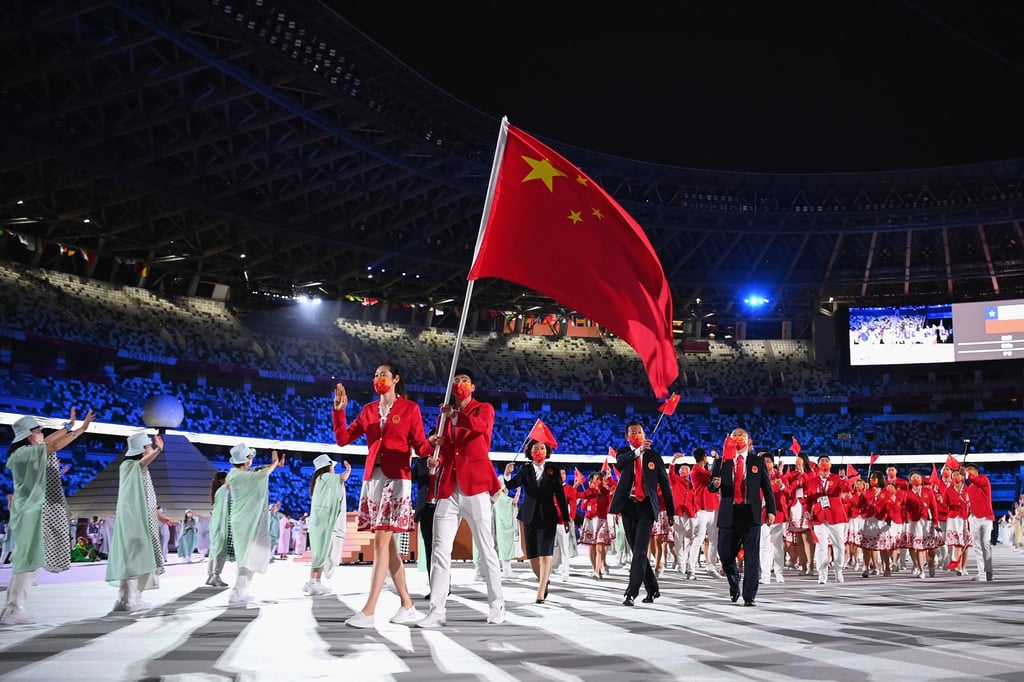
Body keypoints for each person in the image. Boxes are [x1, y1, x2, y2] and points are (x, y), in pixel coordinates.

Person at [333, 362, 430, 628]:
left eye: (383, 375)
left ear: (396, 379)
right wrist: (339, 412)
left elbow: (420, 444)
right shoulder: (367, 411)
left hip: (397, 478)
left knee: (380, 541)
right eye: (375, 375)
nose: (378, 379)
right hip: (373, 478)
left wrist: (432, 448)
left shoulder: (410, 409)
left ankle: (369, 610)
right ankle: (407, 606)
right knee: (387, 546)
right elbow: (342, 439)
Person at [417, 368, 506, 628]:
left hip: (476, 486)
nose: (460, 385)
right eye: (455, 381)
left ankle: (496, 603)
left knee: (486, 548)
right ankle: (437, 609)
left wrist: (455, 416)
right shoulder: (443, 418)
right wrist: (435, 459)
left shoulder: (483, 409)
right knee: (440, 550)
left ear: (473, 386)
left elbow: (481, 428)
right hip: (448, 488)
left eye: (464, 381)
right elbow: (442, 450)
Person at [2, 409, 95, 625]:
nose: (41, 433)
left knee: (31, 560)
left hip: (36, 511)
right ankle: (13, 610)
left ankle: (14, 608)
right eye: (37, 430)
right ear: (27, 434)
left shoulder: (30, 451)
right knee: (26, 561)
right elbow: (51, 446)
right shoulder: (22, 453)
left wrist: (76, 428)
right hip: (29, 512)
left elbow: (52, 444)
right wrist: (72, 429)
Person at [608, 421, 674, 607]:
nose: (637, 435)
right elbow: (621, 463)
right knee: (638, 551)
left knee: (640, 550)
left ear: (645, 435)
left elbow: (666, 485)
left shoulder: (654, 456)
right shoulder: (623, 454)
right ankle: (652, 588)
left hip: (646, 507)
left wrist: (670, 511)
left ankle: (631, 592)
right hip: (628, 507)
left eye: (640, 432)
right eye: (633, 432)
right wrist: (638, 452)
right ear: (627, 436)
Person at [708, 430, 775, 607]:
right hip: (729, 512)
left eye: (741, 436)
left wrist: (771, 510)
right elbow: (711, 486)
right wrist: (715, 484)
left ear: (748, 440)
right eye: (734, 436)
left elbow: (767, 488)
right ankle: (733, 580)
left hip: (750, 512)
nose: (738, 439)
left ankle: (749, 595)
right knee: (724, 552)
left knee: (752, 555)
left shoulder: (757, 461)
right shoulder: (722, 461)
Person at [503, 440, 571, 603]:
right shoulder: (525, 469)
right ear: (530, 452)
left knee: (545, 554)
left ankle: (540, 591)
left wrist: (566, 518)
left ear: (547, 451)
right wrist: (507, 473)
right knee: (533, 556)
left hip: (548, 516)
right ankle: (543, 579)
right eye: (535, 448)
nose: (539, 451)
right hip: (529, 515)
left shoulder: (552, 470)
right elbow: (512, 485)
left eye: (542, 448)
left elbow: (560, 495)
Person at [105, 431, 166, 611]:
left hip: (143, 519)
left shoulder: (140, 469)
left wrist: (160, 516)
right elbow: (142, 462)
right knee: (132, 559)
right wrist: (159, 450)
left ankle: (134, 598)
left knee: (144, 558)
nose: (149, 449)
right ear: (140, 449)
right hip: (134, 520)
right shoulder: (129, 465)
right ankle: (126, 600)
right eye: (147, 447)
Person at [225, 444, 284, 605]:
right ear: (245, 459)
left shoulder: (238, 473)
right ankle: (238, 592)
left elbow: (257, 471)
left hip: (245, 519)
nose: (252, 460)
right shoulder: (238, 475)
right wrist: (274, 462)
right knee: (246, 556)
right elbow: (261, 474)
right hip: (245, 520)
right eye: (250, 457)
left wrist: (274, 465)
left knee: (249, 555)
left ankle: (241, 590)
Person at [304, 454, 351, 595]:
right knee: (321, 552)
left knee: (321, 552)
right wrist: (348, 469)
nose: (333, 469)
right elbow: (342, 478)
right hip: (323, 521)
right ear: (327, 466)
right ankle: (313, 582)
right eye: (332, 466)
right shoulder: (325, 477)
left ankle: (316, 581)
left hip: (320, 520)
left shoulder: (319, 479)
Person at [804, 455, 850, 585]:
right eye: (822, 462)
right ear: (818, 465)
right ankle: (822, 575)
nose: (824, 463)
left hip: (836, 516)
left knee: (839, 546)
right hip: (819, 517)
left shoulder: (836, 478)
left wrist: (843, 478)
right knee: (821, 547)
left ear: (830, 465)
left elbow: (846, 489)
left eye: (827, 461)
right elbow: (809, 499)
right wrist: (807, 510)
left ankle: (838, 570)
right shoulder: (812, 481)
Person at [964, 463, 994, 581]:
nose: (968, 472)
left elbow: (976, 481)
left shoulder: (983, 480)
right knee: (977, 545)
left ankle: (988, 570)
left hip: (985, 517)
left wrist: (966, 474)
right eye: (967, 470)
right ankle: (981, 572)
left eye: (970, 470)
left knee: (985, 543)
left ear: (976, 471)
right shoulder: (970, 487)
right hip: (974, 518)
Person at [206, 471, 229, 587]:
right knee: (220, 549)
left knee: (214, 550)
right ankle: (216, 575)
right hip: (221, 524)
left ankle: (210, 576)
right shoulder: (224, 490)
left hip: (215, 524)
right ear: (222, 481)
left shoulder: (218, 492)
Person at [494, 486, 520, 578]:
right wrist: (518, 492)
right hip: (506, 527)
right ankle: (507, 571)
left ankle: (507, 570)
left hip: (502, 527)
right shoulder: (502, 496)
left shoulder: (498, 497)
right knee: (506, 549)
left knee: (504, 548)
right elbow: (514, 501)